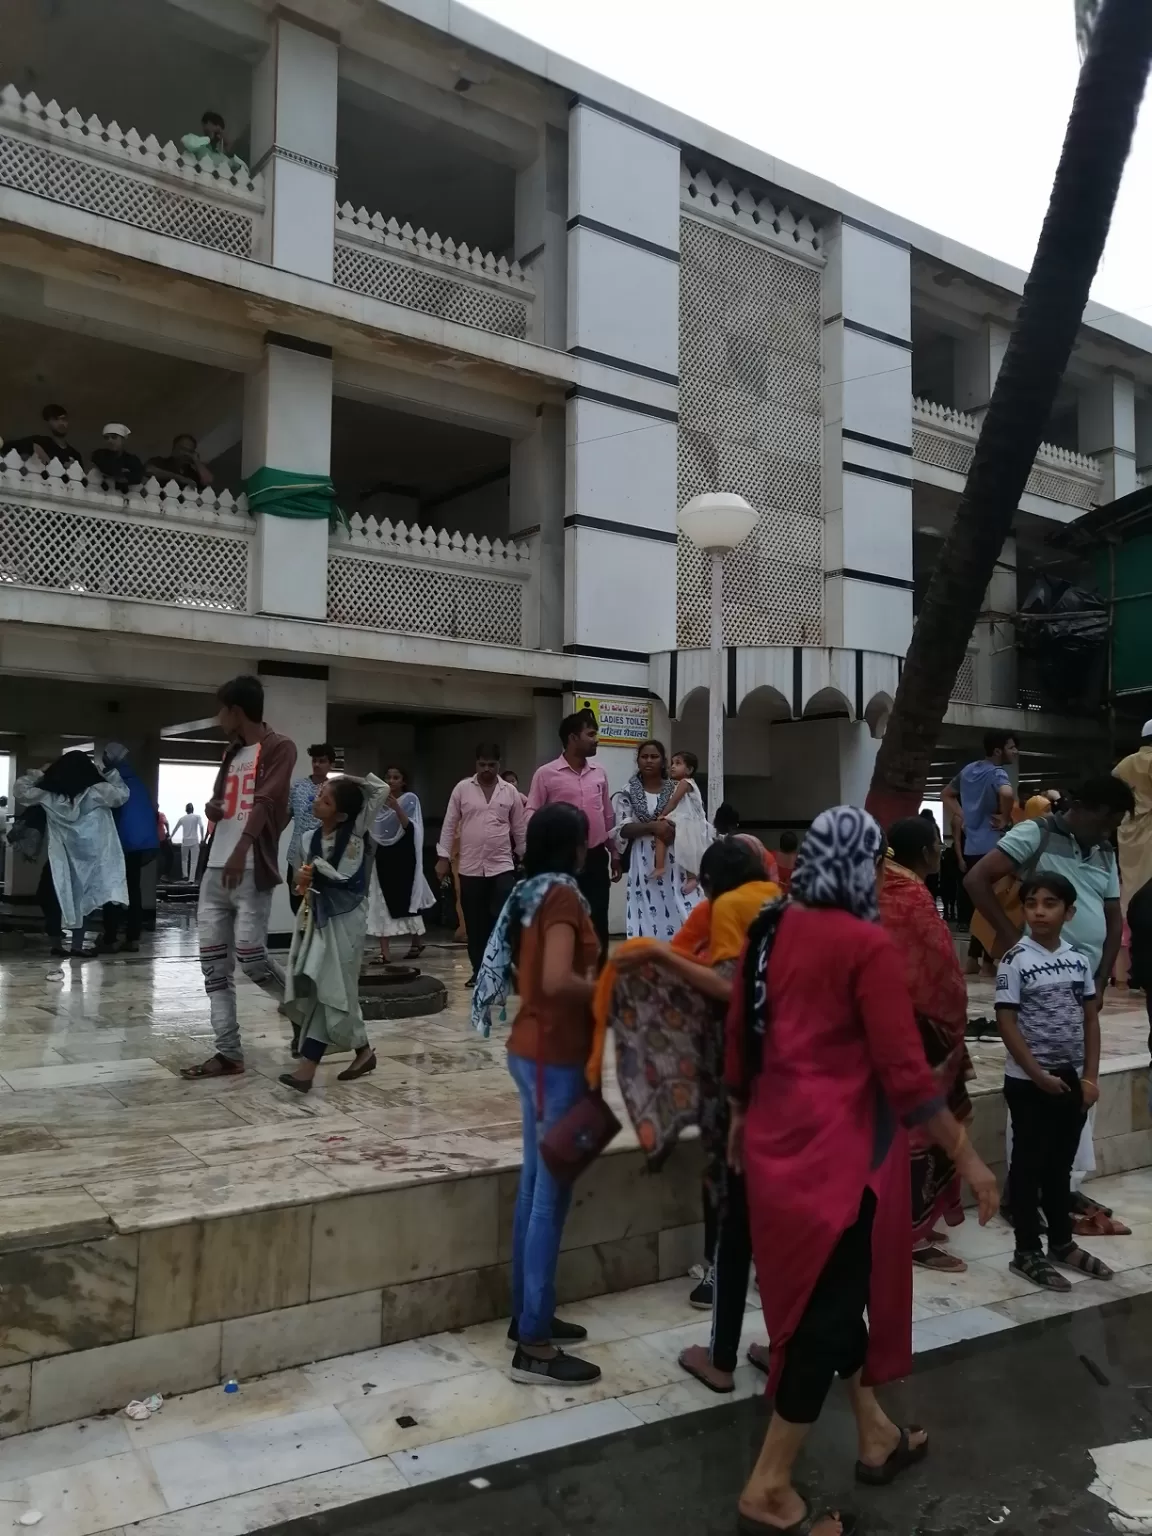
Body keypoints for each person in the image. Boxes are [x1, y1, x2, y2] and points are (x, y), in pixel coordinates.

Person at [727, 806, 998, 1535]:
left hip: (772, 1150)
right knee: (829, 1314)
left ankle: (875, 1433)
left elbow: (738, 1041)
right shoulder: (864, 944)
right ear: (867, 868)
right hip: (836, 1160)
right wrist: (967, 1157)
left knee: (830, 1299)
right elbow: (907, 1078)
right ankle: (770, 1488)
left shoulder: (769, 929)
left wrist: (736, 1125)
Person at [597, 836, 778, 1388]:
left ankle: (720, 1359)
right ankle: (781, 1343)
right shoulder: (782, 898)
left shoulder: (725, 906)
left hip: (737, 1072)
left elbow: (729, 986)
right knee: (773, 1223)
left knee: (732, 1211)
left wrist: (653, 955)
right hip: (783, 1074)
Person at [967, 776, 1135, 1240]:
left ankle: (1064, 1185)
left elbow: (1113, 912)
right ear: (1083, 807)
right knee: (1032, 1082)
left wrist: (1100, 978)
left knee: (1080, 1083)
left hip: (1079, 983)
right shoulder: (1035, 833)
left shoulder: (1101, 848)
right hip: (1039, 984)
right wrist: (1008, 937)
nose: (1108, 832)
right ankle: (1023, 1193)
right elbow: (977, 878)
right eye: (1105, 821)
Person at [471, 803, 602, 1388]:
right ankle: (534, 1347)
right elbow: (553, 978)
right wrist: (612, 989)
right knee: (551, 1196)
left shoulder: (529, 890)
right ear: (576, 846)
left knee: (533, 1188)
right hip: (557, 1056)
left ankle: (529, 1314)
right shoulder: (564, 897)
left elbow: (528, 978)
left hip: (530, 1049)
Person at [996, 874, 1112, 1291]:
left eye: (1049, 903)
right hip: (1029, 1083)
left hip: (1069, 1080)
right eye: (1031, 904)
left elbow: (1089, 1019)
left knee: (1059, 1167)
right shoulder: (1016, 960)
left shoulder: (1078, 960)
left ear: (1070, 912)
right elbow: (1006, 1021)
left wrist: (1090, 1077)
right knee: (1028, 1168)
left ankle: (1061, 1243)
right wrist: (1036, 1074)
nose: (1039, 911)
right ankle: (1026, 1249)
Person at [180, 675, 294, 1080]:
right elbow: (230, 803)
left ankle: (301, 1009)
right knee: (214, 967)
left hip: (247, 869)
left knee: (251, 958)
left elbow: (266, 801)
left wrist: (241, 850)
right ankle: (228, 1052)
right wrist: (214, 810)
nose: (218, 717)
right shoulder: (231, 753)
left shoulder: (281, 748)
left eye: (221, 709)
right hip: (216, 869)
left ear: (237, 711)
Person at [879, 817, 974, 1274]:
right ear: (926, 852)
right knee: (919, 1133)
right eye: (937, 845)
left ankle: (917, 1224)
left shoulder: (882, 889)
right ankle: (911, 1235)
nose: (941, 851)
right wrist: (950, 1024)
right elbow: (935, 972)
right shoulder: (912, 896)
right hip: (920, 1033)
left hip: (891, 1030)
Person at [279, 774, 389, 1093]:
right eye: (320, 794)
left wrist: (348, 778)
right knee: (328, 985)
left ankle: (307, 1069)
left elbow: (380, 789)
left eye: (326, 799)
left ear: (340, 814)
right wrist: (301, 878)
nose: (317, 800)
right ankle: (363, 1051)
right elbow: (300, 887)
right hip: (315, 919)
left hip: (347, 921)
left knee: (331, 985)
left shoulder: (355, 829)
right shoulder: (306, 840)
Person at [15, 751, 128, 958]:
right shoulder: (99, 792)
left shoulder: (50, 796)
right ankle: (77, 945)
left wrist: (40, 772)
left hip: (62, 857)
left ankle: (56, 943)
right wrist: (108, 772)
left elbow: (21, 791)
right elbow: (122, 794)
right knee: (84, 900)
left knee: (54, 895)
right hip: (93, 859)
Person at [526, 711, 619, 962]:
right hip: (560, 861)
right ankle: (563, 972)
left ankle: (598, 979)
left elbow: (607, 815)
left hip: (596, 857)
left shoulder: (599, 773)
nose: (596, 739)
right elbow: (532, 813)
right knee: (562, 916)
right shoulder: (546, 774)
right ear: (572, 737)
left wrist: (615, 852)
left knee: (597, 916)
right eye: (590, 734)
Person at [436, 745, 527, 986]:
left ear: (499, 764)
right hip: (470, 868)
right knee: (475, 924)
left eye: (491, 765)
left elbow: (519, 828)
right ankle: (479, 972)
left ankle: (502, 970)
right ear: (476, 764)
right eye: (482, 764)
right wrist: (443, 858)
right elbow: (449, 824)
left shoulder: (509, 792)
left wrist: (525, 856)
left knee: (502, 919)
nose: (486, 769)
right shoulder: (463, 789)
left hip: (502, 867)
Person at [943, 731, 1018, 973]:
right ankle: (985, 960)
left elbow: (946, 794)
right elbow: (1007, 793)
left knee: (981, 905)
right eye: (1012, 747)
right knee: (996, 905)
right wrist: (1005, 818)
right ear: (998, 751)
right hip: (994, 847)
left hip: (972, 846)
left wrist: (964, 816)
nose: (1015, 752)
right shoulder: (997, 773)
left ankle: (978, 960)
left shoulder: (969, 770)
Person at [616, 739, 701, 941]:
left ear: (663, 761)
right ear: (637, 760)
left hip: (677, 856)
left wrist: (672, 829)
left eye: (654, 757)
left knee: (681, 907)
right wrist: (653, 826)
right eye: (644, 757)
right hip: (644, 859)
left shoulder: (677, 788)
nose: (649, 761)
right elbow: (623, 828)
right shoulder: (628, 791)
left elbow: (693, 817)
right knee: (646, 911)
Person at [367, 766, 435, 963]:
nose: (391, 781)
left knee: (408, 900)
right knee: (380, 900)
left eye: (396, 777)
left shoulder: (410, 799)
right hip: (384, 855)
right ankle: (384, 952)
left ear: (403, 781)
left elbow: (411, 828)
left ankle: (417, 941)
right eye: (388, 777)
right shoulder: (378, 802)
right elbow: (375, 828)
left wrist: (396, 808)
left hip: (404, 855)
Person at [1113, 722, 1152, 1053]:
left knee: (1130, 902)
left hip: (1128, 837)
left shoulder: (1123, 765)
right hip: (1151, 836)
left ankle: (1123, 978)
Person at [100, 743, 159, 953]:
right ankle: (133, 938)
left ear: (111, 759)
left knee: (111, 889)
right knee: (134, 890)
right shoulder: (137, 781)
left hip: (121, 842)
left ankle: (110, 938)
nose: (103, 759)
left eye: (105, 756)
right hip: (140, 844)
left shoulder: (112, 780)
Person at [287, 744, 336, 916]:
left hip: (324, 855)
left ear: (331, 764)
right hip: (297, 854)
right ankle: (301, 939)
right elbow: (286, 815)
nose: (317, 764)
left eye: (322, 761)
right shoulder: (298, 787)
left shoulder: (334, 789)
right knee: (297, 902)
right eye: (314, 760)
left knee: (321, 903)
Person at [653, 749, 711, 887]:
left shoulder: (685, 783)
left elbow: (674, 802)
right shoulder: (681, 784)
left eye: (678, 763)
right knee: (687, 848)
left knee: (684, 846)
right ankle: (663, 868)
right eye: (672, 763)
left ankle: (665, 868)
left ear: (689, 769)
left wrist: (662, 815)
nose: (672, 766)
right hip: (687, 819)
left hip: (688, 820)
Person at [11, 403, 84, 468]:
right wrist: (33, 446)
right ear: (47, 423)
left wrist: (74, 468)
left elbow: (83, 480)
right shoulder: (40, 442)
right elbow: (8, 446)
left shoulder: (75, 454)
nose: (61, 423)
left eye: (64, 419)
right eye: (55, 419)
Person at [180, 110, 248, 173]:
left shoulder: (222, 157)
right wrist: (208, 138)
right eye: (215, 130)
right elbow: (186, 141)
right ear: (205, 126)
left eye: (219, 132)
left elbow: (245, 170)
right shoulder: (199, 147)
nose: (217, 135)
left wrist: (229, 149)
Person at [145, 434, 214, 491]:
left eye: (189, 451)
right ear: (174, 448)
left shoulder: (191, 472)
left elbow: (208, 481)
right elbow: (148, 470)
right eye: (183, 449)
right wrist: (179, 478)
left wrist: (196, 460)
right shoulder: (161, 462)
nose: (185, 453)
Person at [91, 424, 144, 491]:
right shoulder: (98, 454)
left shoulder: (132, 460)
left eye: (114, 437)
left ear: (123, 440)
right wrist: (123, 473)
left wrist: (121, 475)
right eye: (106, 438)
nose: (110, 441)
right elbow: (108, 468)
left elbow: (137, 477)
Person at [172, 802, 204, 880]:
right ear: (193, 809)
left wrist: (170, 837)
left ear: (186, 810)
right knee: (194, 861)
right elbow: (202, 826)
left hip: (185, 841)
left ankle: (185, 876)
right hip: (194, 841)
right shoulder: (197, 817)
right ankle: (191, 879)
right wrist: (202, 838)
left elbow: (175, 829)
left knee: (184, 860)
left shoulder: (182, 819)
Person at [775, 829, 799, 896]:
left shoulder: (771, 857)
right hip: (792, 898)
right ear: (795, 846)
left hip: (775, 896)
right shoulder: (800, 860)